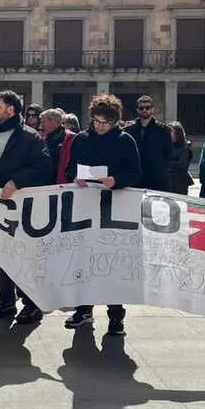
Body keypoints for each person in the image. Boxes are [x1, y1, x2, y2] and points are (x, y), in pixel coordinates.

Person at [64, 94, 142, 335]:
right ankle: (83, 310)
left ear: (115, 121)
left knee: (111, 262)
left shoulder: (125, 140)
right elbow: (69, 168)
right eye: (96, 122)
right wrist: (73, 177)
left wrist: (116, 180)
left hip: (114, 207)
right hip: (85, 206)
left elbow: (136, 172)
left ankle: (116, 316)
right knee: (84, 259)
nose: (100, 127)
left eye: (105, 123)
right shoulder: (81, 139)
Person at [0, 90, 52, 324]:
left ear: (11, 110)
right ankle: (5, 301)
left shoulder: (31, 137)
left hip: (22, 208)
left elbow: (43, 167)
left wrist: (16, 181)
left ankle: (31, 304)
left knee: (24, 256)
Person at [125, 95, 172, 192]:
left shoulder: (163, 130)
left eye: (148, 107)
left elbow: (168, 154)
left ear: (153, 109)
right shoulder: (129, 129)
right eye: (141, 108)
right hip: (136, 179)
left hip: (157, 179)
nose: (144, 110)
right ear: (137, 110)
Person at [40, 107, 75, 183]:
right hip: (46, 183)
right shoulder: (43, 139)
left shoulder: (71, 138)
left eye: (43, 122)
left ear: (53, 121)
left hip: (64, 183)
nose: (41, 125)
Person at [167, 121, 193, 195]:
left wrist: (166, 163)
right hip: (167, 182)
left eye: (171, 131)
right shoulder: (167, 145)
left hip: (179, 183)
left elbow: (182, 165)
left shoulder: (185, 148)